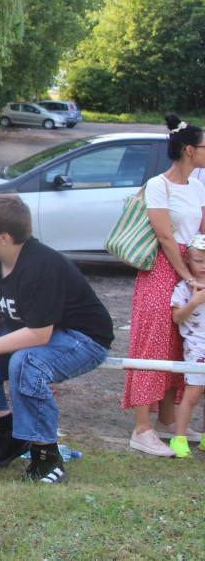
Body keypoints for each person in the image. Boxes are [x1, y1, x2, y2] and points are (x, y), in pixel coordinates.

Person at [0, 195, 113, 484]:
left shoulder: (41, 267)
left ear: (5, 237)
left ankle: (46, 456)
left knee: (26, 363)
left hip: (82, 338)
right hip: (35, 329)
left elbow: (39, 335)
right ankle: (7, 436)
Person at [123, 115, 205, 456]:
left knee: (178, 345)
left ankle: (169, 420)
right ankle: (141, 429)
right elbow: (165, 236)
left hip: (190, 267)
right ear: (189, 150)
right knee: (151, 345)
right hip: (162, 271)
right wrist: (188, 277)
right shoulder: (160, 184)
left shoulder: (198, 184)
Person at [167, 233, 205, 457]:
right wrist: (194, 302)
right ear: (188, 261)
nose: (203, 266)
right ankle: (179, 438)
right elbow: (177, 317)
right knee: (192, 393)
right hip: (196, 347)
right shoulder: (183, 288)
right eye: (199, 261)